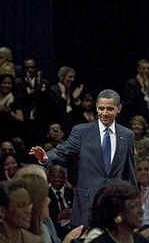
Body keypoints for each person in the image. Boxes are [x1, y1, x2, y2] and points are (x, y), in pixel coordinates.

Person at [29, 89, 137, 226]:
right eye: (101, 108)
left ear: (119, 109)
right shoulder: (81, 132)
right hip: (88, 201)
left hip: (116, 202)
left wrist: (133, 200)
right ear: (96, 107)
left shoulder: (127, 135)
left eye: (110, 109)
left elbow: (130, 172)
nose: (104, 113)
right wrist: (45, 158)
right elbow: (63, 151)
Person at [84, 180, 149, 243]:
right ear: (117, 214)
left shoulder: (143, 241)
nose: (141, 211)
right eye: (133, 206)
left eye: (139, 205)